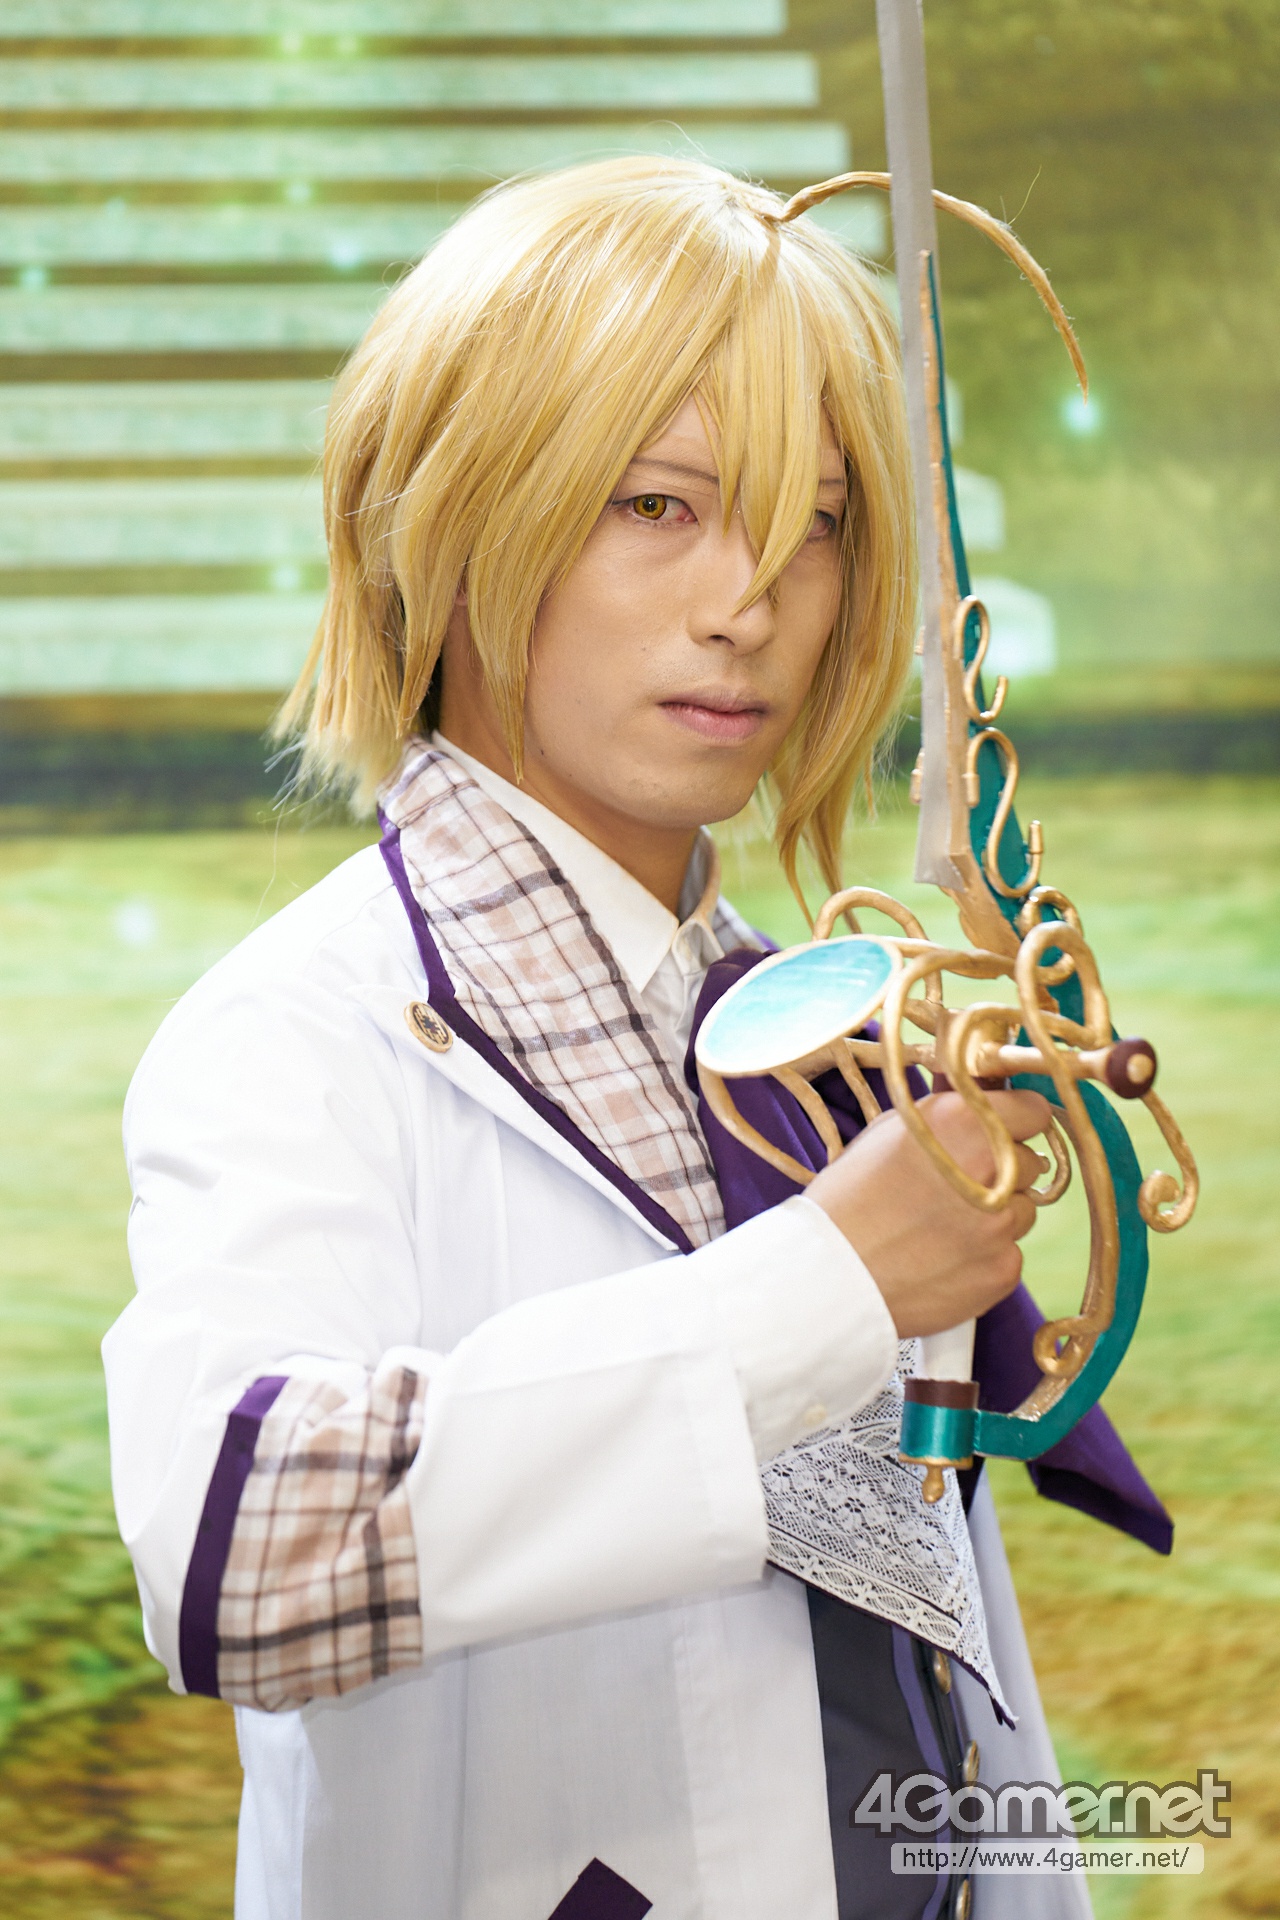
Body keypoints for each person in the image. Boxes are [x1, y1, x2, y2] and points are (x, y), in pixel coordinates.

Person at [104, 156, 1095, 1920]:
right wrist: (821, 1284)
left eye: (815, 520)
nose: (749, 600)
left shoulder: (815, 1026)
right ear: (456, 513)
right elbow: (236, 1554)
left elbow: (933, 1676)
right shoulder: (300, 1031)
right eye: (657, 503)